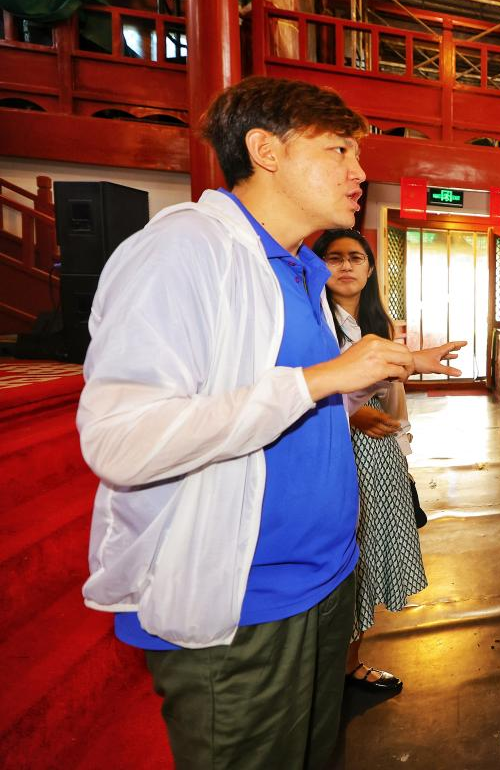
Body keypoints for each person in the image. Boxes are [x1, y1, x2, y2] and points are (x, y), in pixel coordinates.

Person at [78, 76, 464, 769]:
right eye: (339, 150)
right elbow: (122, 439)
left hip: (325, 579)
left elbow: (279, 400)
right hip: (244, 601)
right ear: (266, 151)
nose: (359, 171)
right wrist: (323, 378)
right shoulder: (185, 251)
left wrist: (366, 377)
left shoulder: (297, 270)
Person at [313, 228, 428, 694]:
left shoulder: (378, 322)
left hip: (380, 449)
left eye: (355, 257)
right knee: (345, 555)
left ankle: (350, 662)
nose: (345, 266)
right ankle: (328, 670)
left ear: (369, 268)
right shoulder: (314, 318)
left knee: (372, 551)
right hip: (336, 447)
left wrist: (399, 439)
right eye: (334, 257)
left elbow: (392, 393)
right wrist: (353, 413)